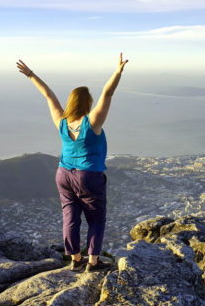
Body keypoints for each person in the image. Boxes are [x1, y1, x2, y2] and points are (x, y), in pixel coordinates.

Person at [16, 53, 128, 272]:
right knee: (96, 218)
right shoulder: (92, 122)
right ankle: (93, 261)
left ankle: (75, 259)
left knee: (70, 216)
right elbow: (108, 93)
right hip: (88, 176)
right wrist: (117, 72)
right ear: (87, 102)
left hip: (64, 174)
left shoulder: (62, 121)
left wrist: (30, 75)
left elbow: (49, 95)